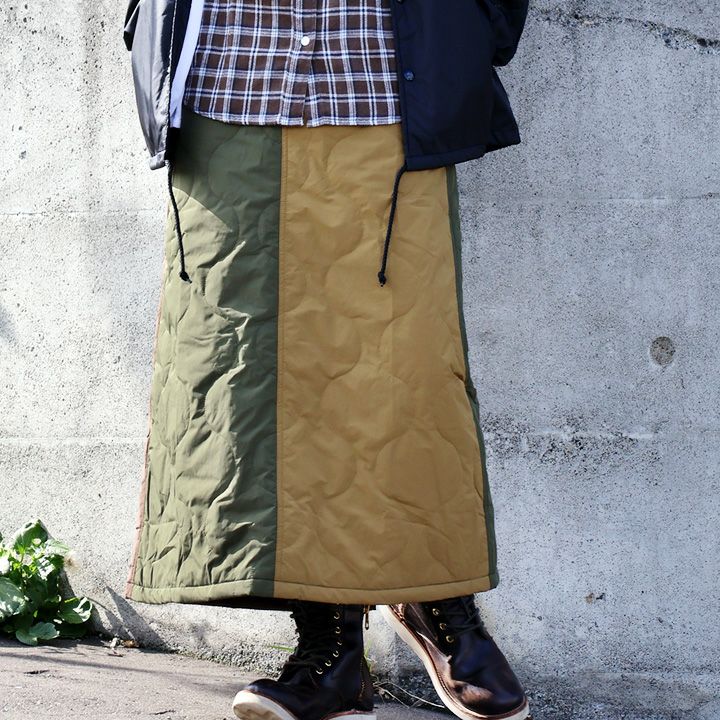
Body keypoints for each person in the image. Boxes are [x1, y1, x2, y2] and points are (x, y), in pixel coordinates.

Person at [121, 2, 531, 720]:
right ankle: (329, 652)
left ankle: (439, 600)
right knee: (260, 388)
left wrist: (474, 27)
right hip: (230, 77)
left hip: (383, 76)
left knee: (407, 375)